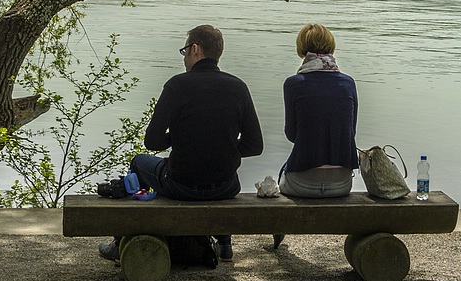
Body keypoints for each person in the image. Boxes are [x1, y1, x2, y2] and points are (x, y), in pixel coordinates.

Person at [99, 24, 264, 263]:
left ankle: (119, 242)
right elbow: (255, 145)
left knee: (138, 163)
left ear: (195, 49)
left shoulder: (177, 85)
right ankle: (224, 244)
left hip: (181, 185)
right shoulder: (239, 87)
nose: (184, 57)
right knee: (217, 172)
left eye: (185, 50)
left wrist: (180, 141)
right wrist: (221, 147)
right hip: (225, 186)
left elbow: (152, 142)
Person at [279, 23, 359, 199]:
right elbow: (350, 132)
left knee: (283, 170)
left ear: (302, 49)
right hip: (342, 185)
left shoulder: (293, 84)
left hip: (301, 184)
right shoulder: (348, 83)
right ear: (331, 47)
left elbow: (292, 134)